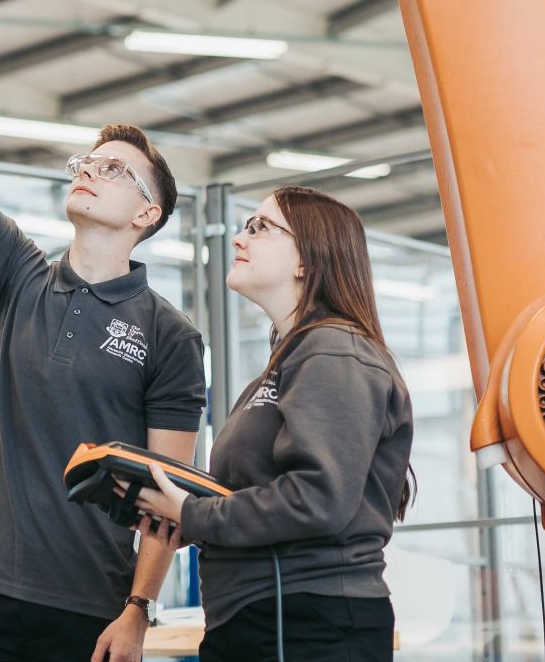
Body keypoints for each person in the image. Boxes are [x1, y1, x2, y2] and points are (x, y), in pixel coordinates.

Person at [0, 0, 207, 662]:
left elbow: (168, 496)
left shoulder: (169, 335)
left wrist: (137, 611)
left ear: (147, 215)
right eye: (88, 163)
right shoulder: (20, 279)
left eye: (115, 171)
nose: (91, 173)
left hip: (90, 611)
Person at [127, 186, 414, 662]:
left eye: (260, 228)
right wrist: (179, 514)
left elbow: (318, 499)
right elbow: (265, 494)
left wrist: (194, 513)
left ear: (307, 261)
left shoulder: (333, 351)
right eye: (245, 226)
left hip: (310, 622)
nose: (240, 239)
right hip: (257, 617)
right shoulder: (287, 363)